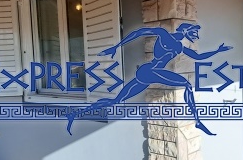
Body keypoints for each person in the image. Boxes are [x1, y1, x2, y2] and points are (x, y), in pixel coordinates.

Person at [67, 23, 231, 135]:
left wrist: (217, 51)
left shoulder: (180, 46)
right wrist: (116, 46)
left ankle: (76, 113)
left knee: (116, 101)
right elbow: (139, 32)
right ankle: (198, 121)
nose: (195, 35)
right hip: (151, 71)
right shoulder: (164, 34)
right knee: (187, 84)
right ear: (186, 30)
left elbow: (199, 57)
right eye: (193, 31)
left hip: (146, 73)